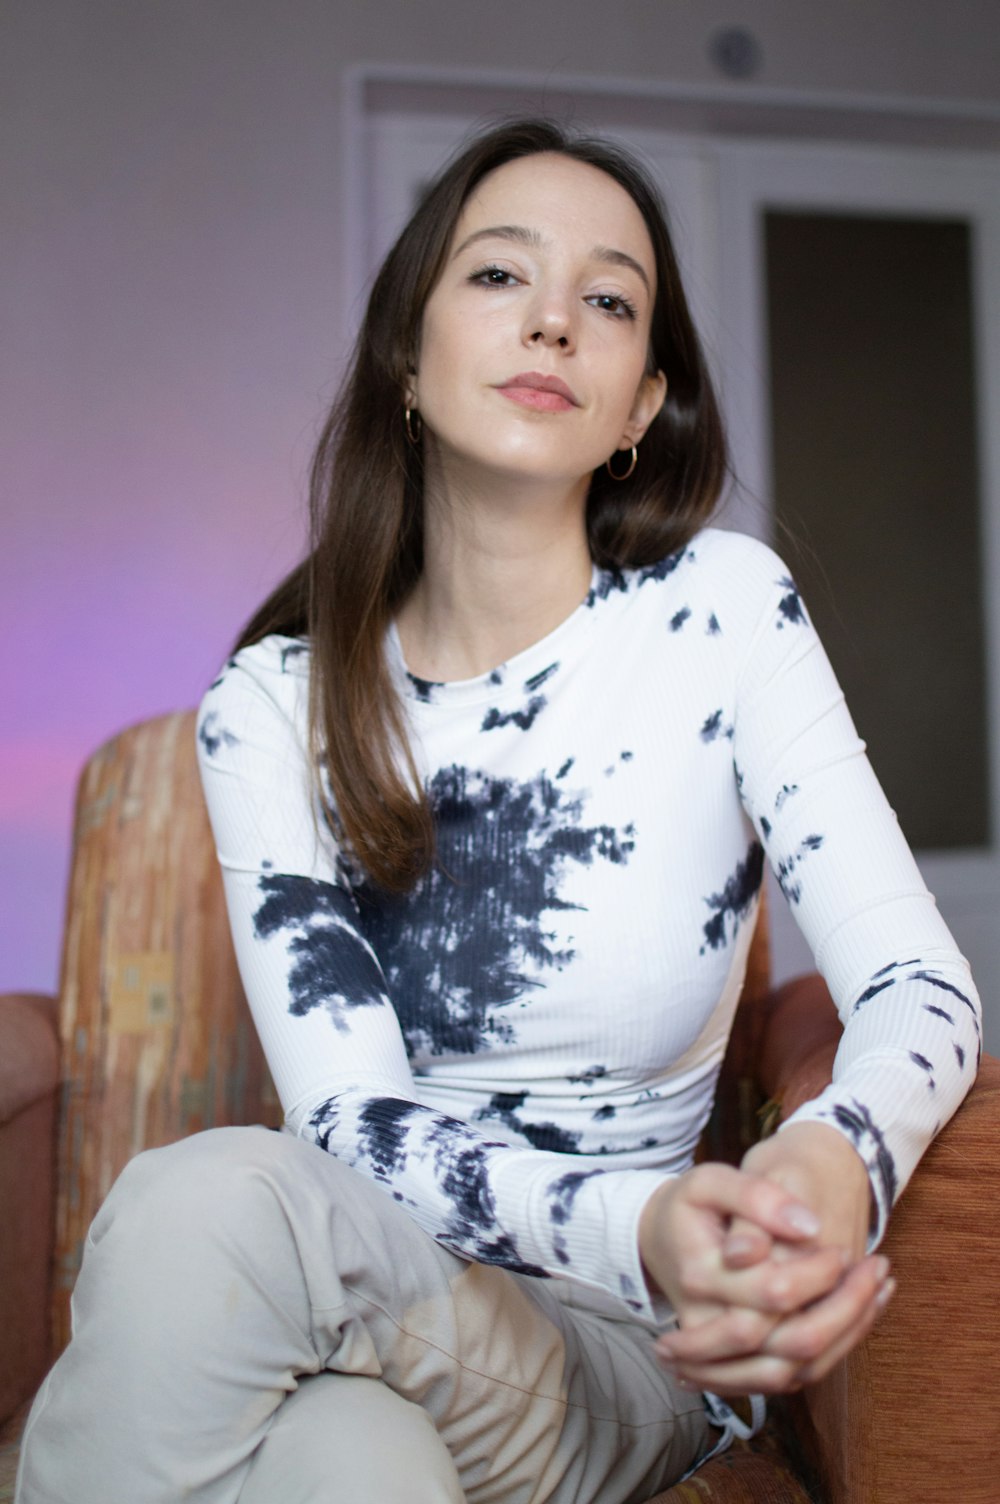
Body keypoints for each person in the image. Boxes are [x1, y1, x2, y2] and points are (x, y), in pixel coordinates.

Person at [17, 117, 981, 1504]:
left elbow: (920, 985)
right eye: (498, 276)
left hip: (614, 1349)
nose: (551, 320)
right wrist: (644, 1218)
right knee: (353, 1467)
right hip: (344, 1300)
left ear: (643, 403)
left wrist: (836, 1160)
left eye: (608, 299)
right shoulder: (274, 703)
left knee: (192, 1209)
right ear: (406, 356)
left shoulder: (723, 616)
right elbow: (355, 1126)